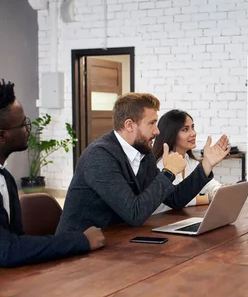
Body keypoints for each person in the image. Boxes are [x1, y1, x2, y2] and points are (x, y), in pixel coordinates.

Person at [56, 93, 230, 233]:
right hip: (79, 248)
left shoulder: (141, 153)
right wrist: (169, 172)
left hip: (116, 240)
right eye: (152, 124)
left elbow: (175, 200)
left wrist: (206, 164)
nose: (157, 131)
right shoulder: (99, 156)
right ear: (129, 125)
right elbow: (134, 213)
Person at [0, 77, 104, 267]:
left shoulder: (4, 177)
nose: (28, 130)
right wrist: (80, 240)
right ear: (2, 136)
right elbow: (5, 250)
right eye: (24, 124)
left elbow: (17, 241)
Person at [152, 109, 223, 214]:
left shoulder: (190, 161)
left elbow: (210, 185)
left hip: (179, 218)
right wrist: (208, 198)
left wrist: (219, 190)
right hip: (159, 221)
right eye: (185, 129)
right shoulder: (160, 164)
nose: (193, 133)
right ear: (171, 134)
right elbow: (178, 198)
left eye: (192, 127)